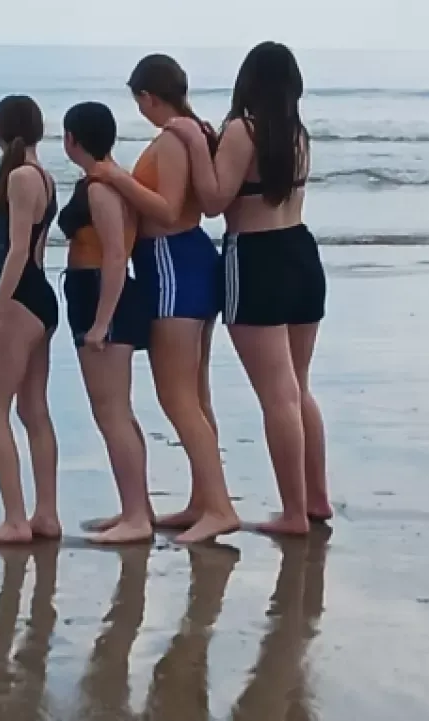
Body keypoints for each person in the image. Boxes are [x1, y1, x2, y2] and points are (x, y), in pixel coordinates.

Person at [165, 41, 331, 536]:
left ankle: (294, 513)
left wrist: (196, 144)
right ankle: (315, 498)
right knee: (298, 386)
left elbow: (214, 201)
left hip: (255, 258)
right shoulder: (297, 134)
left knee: (277, 395)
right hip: (300, 251)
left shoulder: (244, 129)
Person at [90, 54, 239, 544]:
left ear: (147, 96)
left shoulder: (174, 137)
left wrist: (116, 177)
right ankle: (204, 500)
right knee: (194, 394)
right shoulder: (186, 132)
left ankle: (219, 506)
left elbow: (170, 210)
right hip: (181, 263)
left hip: (174, 263)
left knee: (177, 395)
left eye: (138, 101)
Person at [0, 95, 60, 546]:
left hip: (22, 299)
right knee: (32, 409)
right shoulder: (43, 176)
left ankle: (16, 521)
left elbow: (18, 251)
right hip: (40, 298)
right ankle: (46, 515)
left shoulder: (21, 177)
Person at [58, 101, 152, 544]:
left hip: (101, 292)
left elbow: (116, 254)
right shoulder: (107, 179)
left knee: (112, 412)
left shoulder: (101, 187)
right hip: (91, 290)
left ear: (72, 139)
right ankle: (137, 508)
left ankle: (136, 516)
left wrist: (101, 322)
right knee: (115, 411)